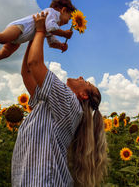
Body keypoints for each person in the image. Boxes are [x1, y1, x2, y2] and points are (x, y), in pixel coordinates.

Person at [11, 12, 108, 187]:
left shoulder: (70, 104)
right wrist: (34, 35)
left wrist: (40, 31)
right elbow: (27, 73)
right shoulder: (56, 102)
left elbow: (35, 64)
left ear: (83, 95)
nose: (80, 77)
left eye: (85, 82)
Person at [0, 0, 75, 77]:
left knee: (5, 53)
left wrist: (60, 46)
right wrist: (65, 34)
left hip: (19, 38)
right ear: (63, 10)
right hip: (20, 27)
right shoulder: (53, 13)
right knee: (2, 38)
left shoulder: (50, 23)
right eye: (69, 18)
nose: (67, 22)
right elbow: (51, 28)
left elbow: (51, 41)